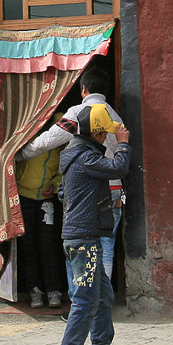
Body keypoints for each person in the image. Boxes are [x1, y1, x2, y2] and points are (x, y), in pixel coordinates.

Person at [22, 67, 125, 281]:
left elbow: (48, 140)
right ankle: (100, 300)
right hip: (114, 189)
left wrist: (18, 154)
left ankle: (82, 300)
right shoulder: (115, 117)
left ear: (83, 89)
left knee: (77, 247)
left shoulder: (78, 113)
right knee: (105, 246)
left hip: (85, 193)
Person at [54, 102, 131, 345]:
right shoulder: (86, 158)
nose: (107, 138)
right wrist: (123, 144)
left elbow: (63, 193)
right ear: (97, 134)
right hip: (83, 239)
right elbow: (119, 168)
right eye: (106, 134)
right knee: (86, 298)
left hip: (83, 235)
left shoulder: (74, 156)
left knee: (103, 293)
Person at [13, 109, 66, 308]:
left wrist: (54, 183)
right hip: (24, 198)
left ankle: (54, 290)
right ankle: (35, 290)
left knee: (48, 246)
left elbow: (63, 172)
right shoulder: (31, 141)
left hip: (46, 201)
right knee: (28, 246)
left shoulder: (61, 149)